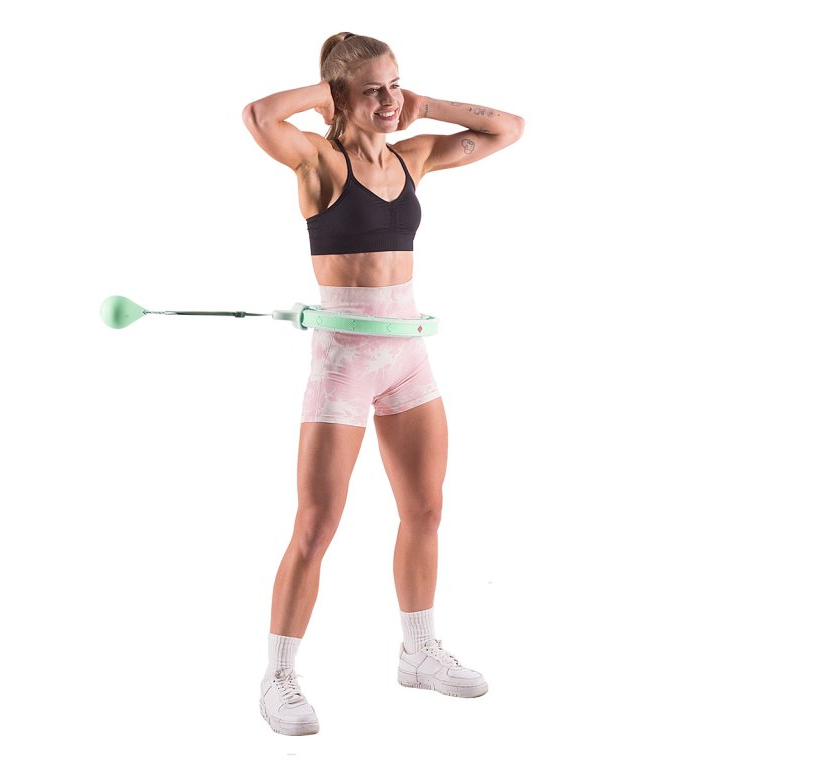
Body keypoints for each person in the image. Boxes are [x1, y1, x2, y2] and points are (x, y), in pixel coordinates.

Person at [242, 32, 524, 736]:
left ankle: (418, 652)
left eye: (394, 84)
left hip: (408, 359)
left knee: (425, 510)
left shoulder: (413, 156)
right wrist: (329, 97)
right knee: (316, 525)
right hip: (343, 361)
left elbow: (508, 128)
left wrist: (424, 105)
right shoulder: (318, 160)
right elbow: (259, 116)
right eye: (373, 90)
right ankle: (278, 676)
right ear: (342, 96)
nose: (390, 100)